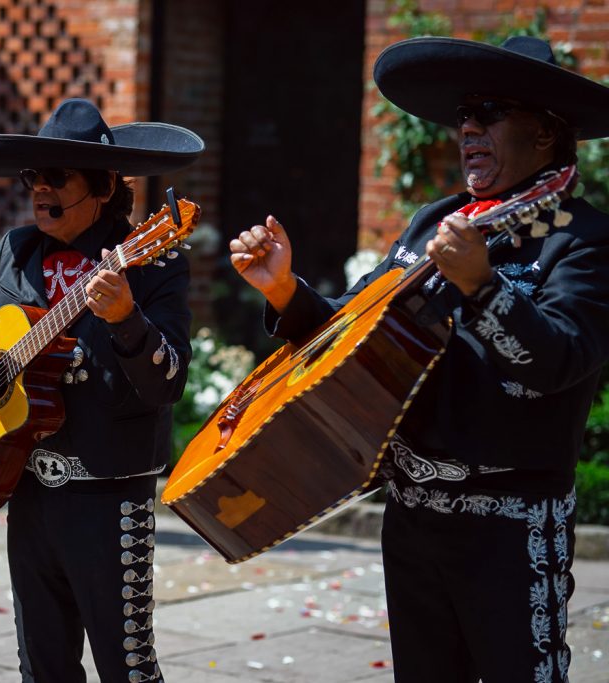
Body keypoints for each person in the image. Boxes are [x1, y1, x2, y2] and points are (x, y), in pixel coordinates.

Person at [230, 36, 609, 683]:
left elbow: (559, 360)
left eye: (490, 111)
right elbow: (354, 333)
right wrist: (284, 289)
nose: (468, 127)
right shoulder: (437, 220)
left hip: (509, 528)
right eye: (464, 113)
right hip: (413, 519)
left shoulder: (584, 238)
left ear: (546, 135)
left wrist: (481, 286)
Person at [0, 98, 203, 682]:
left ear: (101, 184)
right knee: (41, 667)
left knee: (128, 668)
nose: (39, 189)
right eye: (32, 177)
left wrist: (127, 319)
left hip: (110, 499)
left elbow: (169, 381)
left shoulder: (150, 261)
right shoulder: (14, 251)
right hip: (29, 494)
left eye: (56, 176)